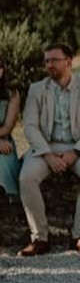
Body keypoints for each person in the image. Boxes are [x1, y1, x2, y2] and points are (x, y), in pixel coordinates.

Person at [18, 44, 80, 255]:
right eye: (46, 61)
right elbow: (29, 126)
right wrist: (48, 155)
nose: (49, 65)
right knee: (26, 177)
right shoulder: (37, 89)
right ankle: (40, 238)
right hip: (45, 148)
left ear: (69, 62)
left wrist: (75, 152)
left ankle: (79, 236)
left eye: (54, 60)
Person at [0, 56, 20, 199]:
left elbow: (7, 127)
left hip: (4, 140)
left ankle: (10, 202)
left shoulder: (12, 94)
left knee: (4, 160)